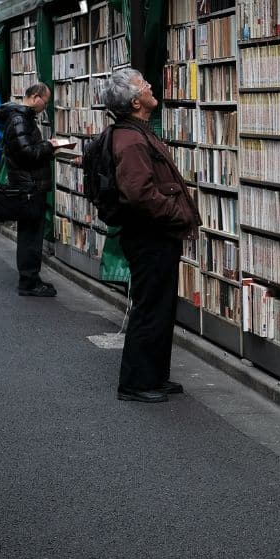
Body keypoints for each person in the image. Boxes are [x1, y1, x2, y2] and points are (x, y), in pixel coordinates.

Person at [104, 68, 201, 403]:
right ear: (135, 102)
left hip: (155, 234)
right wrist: (177, 214)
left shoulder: (136, 132)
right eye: (144, 85)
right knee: (150, 308)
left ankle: (155, 376)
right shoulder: (130, 139)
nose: (150, 87)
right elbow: (139, 193)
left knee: (160, 307)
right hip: (149, 235)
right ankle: (135, 382)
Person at [0, 83, 65, 296]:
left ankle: (31, 278)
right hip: (29, 187)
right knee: (30, 236)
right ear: (35, 97)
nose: (46, 106)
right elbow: (27, 153)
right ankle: (29, 281)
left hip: (29, 185)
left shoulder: (19, 118)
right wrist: (49, 146)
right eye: (46, 101)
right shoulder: (19, 119)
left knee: (30, 234)